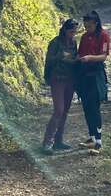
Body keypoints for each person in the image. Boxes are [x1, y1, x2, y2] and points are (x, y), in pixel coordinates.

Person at [42, 18, 79, 155]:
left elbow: (74, 57)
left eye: (75, 32)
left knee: (65, 111)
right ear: (64, 29)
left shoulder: (74, 42)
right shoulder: (55, 42)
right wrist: (60, 57)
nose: (73, 34)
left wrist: (75, 60)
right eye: (71, 31)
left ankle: (59, 141)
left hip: (70, 79)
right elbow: (49, 60)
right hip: (57, 79)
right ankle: (47, 142)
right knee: (58, 110)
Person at [77, 10, 110, 155]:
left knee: (95, 108)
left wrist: (90, 58)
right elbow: (80, 54)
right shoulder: (84, 37)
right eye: (85, 26)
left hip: (96, 74)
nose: (87, 29)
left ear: (95, 23)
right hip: (84, 74)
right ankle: (91, 137)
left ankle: (98, 142)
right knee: (86, 106)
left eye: (89, 26)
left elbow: (103, 56)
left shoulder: (103, 35)